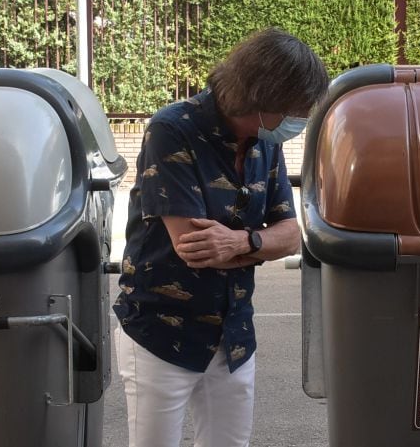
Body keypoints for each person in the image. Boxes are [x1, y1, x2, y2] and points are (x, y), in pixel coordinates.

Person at [112, 27, 329, 447]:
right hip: (161, 336)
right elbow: (194, 250)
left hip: (233, 338)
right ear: (262, 97)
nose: (300, 119)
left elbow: (291, 234)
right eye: (297, 108)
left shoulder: (265, 144)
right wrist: (260, 241)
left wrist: (244, 243)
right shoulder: (172, 130)